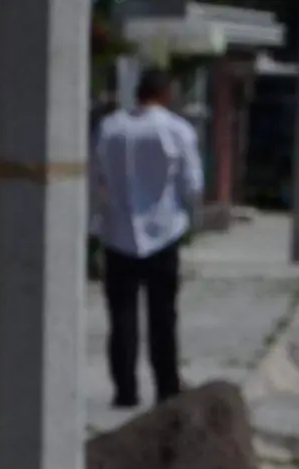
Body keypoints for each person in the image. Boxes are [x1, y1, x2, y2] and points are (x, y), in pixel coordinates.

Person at [90, 67, 204, 409]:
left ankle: (125, 390)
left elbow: (96, 181)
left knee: (121, 317)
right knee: (163, 315)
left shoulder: (110, 129)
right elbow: (193, 185)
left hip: (118, 234)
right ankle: (166, 385)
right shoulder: (177, 131)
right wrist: (189, 217)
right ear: (166, 93)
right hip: (164, 233)